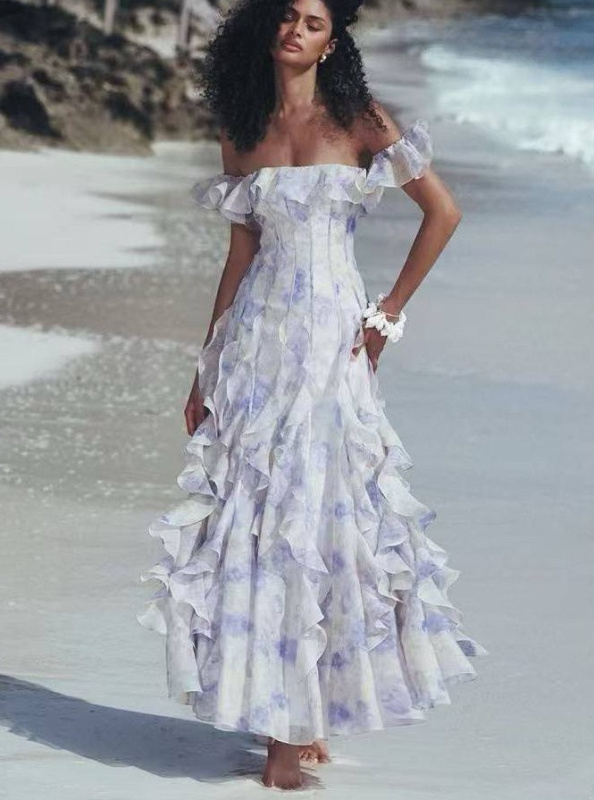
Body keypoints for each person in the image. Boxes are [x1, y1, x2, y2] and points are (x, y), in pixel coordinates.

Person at [136, 0, 488, 790]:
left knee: (324, 513)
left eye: (315, 23)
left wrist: (386, 315)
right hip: (257, 347)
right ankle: (288, 723)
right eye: (289, 16)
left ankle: (298, 723)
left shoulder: (359, 119)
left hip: (332, 345)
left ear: (332, 43)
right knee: (263, 518)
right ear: (268, 27)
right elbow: (242, 251)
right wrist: (205, 367)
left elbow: (443, 211)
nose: (297, 30)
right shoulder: (242, 129)